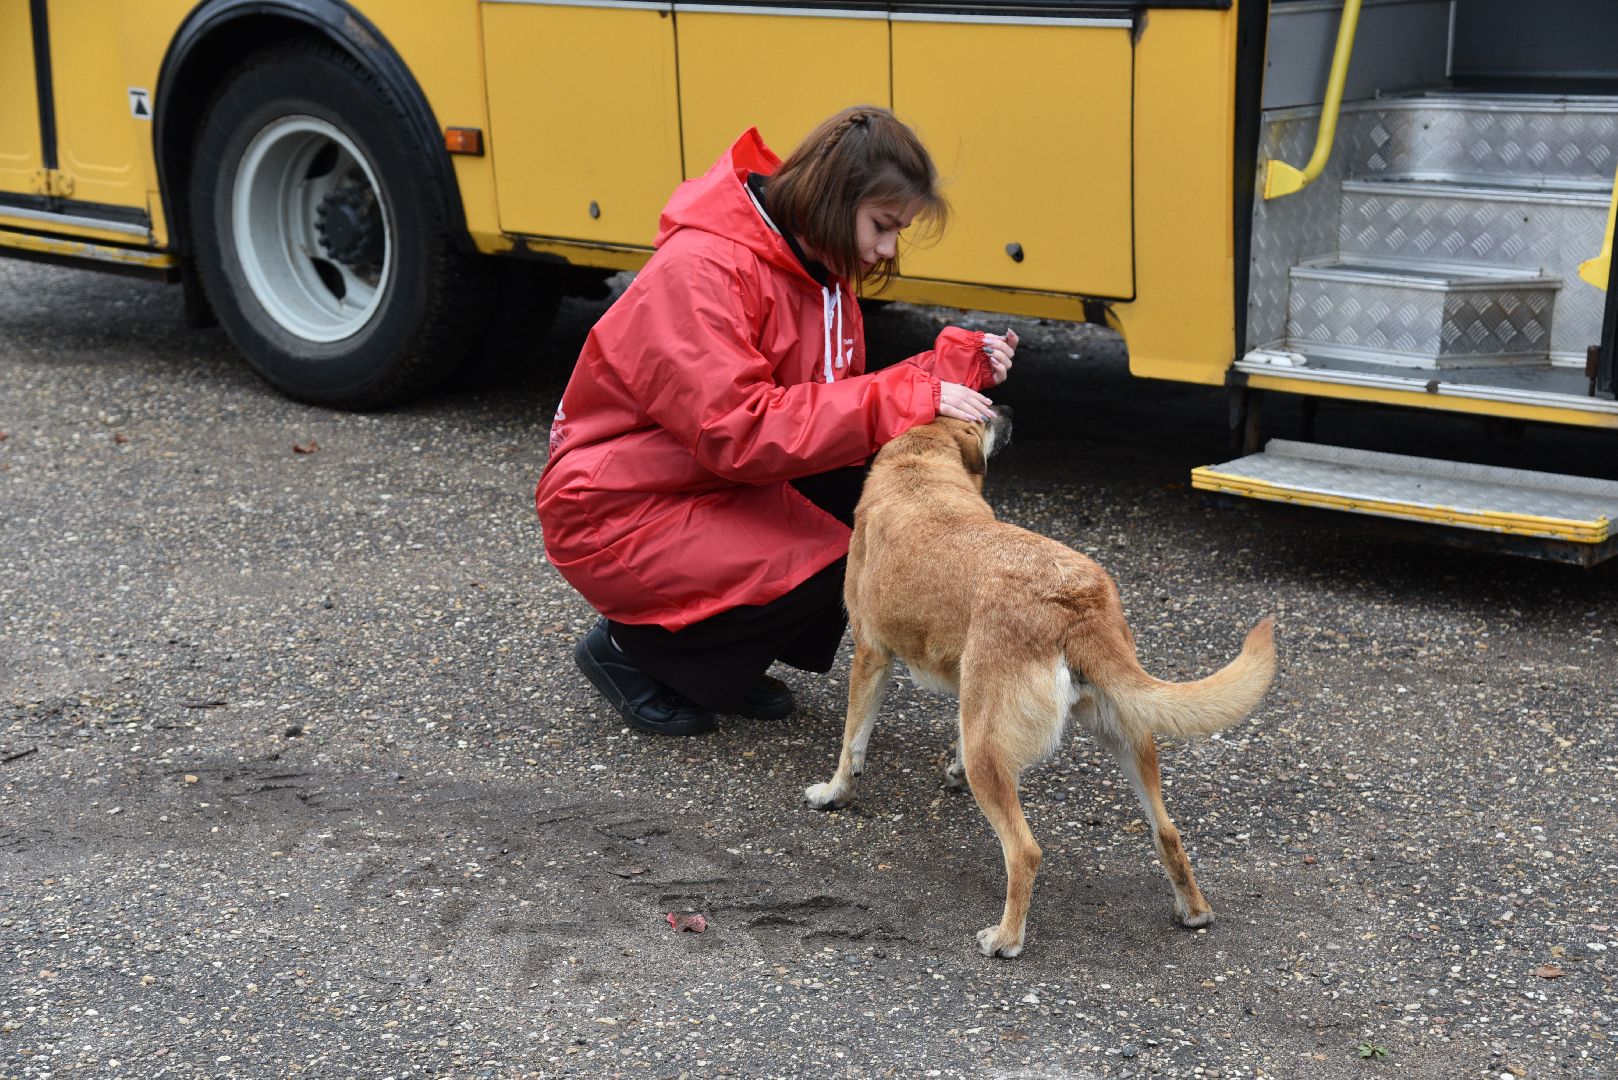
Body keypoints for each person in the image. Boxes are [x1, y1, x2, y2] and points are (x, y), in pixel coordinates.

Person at [535, 105, 1017, 736]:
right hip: (617, 508)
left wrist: (950, 369)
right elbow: (740, 431)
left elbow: (825, 408)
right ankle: (633, 651)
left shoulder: (814, 259)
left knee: (881, 509)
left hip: (695, 481)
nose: (887, 249)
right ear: (832, 197)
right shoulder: (702, 268)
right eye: (882, 225)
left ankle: (714, 664)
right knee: (853, 544)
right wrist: (909, 393)